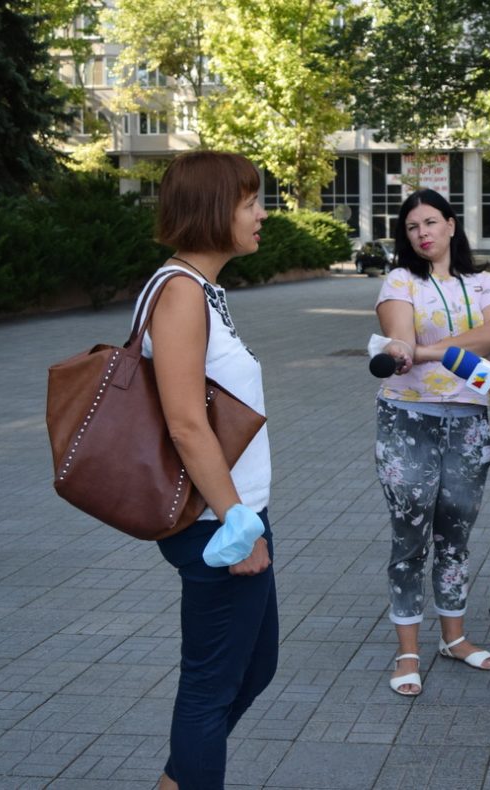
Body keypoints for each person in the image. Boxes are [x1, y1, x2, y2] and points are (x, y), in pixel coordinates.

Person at [144, 150, 276, 790]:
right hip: (214, 522)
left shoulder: (202, 291)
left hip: (233, 513)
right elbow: (185, 424)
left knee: (253, 667)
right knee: (211, 686)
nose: (261, 214)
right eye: (250, 202)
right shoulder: (178, 293)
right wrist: (238, 525)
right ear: (212, 210)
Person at [374, 188, 490, 696]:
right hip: (408, 418)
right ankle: (407, 649)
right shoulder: (399, 280)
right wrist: (408, 347)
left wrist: (424, 350)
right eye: (412, 227)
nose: (423, 233)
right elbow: (397, 335)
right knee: (409, 534)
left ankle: (453, 638)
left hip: (469, 421)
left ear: (453, 224)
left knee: (456, 531)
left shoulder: (485, 282)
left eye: (431, 222)